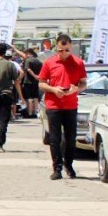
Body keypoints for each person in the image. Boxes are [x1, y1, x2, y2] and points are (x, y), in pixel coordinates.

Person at [39, 33, 88, 180]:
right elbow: (41, 83)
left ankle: (69, 164)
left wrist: (76, 89)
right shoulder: (49, 62)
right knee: (55, 138)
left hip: (70, 105)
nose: (64, 53)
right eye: (60, 50)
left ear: (71, 47)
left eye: (66, 50)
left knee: (70, 138)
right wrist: (54, 89)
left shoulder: (78, 63)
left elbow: (83, 83)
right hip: (53, 105)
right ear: (56, 48)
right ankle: (57, 168)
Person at [21, 48, 43, 119]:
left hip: (28, 81)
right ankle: (35, 112)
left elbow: (28, 69)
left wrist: (34, 75)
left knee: (29, 97)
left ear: (28, 53)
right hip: (36, 82)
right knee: (35, 97)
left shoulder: (28, 60)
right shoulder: (38, 61)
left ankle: (30, 113)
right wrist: (38, 77)